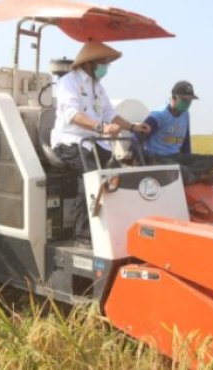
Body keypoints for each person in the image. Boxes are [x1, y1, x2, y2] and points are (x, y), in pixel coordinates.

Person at [50, 41, 151, 240]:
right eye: (103, 62)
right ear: (89, 63)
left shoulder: (98, 88)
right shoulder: (68, 83)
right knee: (92, 176)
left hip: (93, 143)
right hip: (70, 143)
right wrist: (101, 127)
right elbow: (73, 115)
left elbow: (110, 114)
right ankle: (83, 232)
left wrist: (132, 126)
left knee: (117, 174)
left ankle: (113, 222)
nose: (106, 67)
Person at [142, 81, 213, 186]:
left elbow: (185, 142)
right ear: (174, 97)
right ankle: (200, 177)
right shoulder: (158, 115)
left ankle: (187, 175)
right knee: (174, 169)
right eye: (184, 100)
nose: (187, 104)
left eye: (190, 101)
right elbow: (138, 136)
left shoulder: (185, 114)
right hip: (158, 158)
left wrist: (188, 159)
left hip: (176, 156)